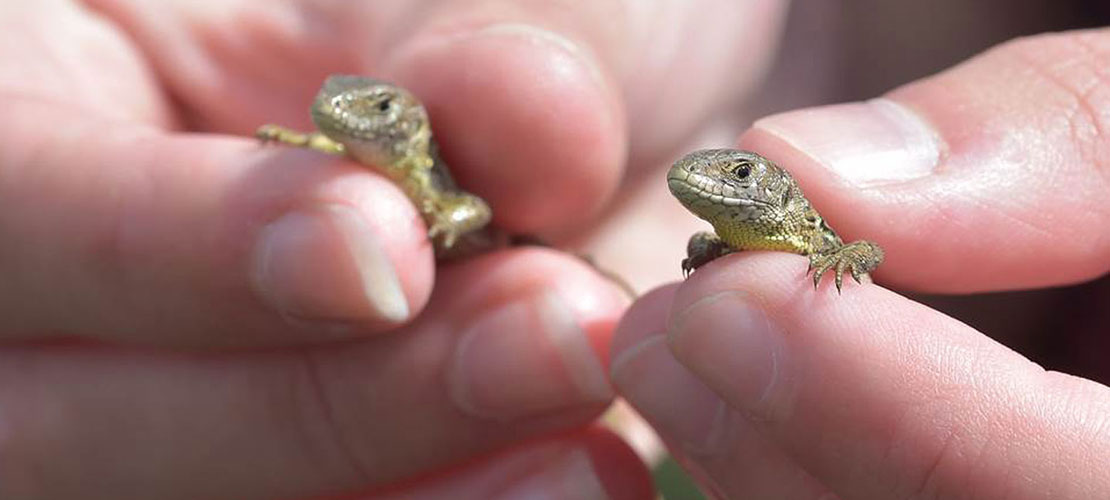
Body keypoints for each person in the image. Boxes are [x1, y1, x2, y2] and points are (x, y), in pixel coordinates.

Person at [1, 1, 1107, 498]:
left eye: (729, 185)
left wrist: (841, 260)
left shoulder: (817, 232)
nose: (711, 193)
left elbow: (864, 239)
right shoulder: (727, 219)